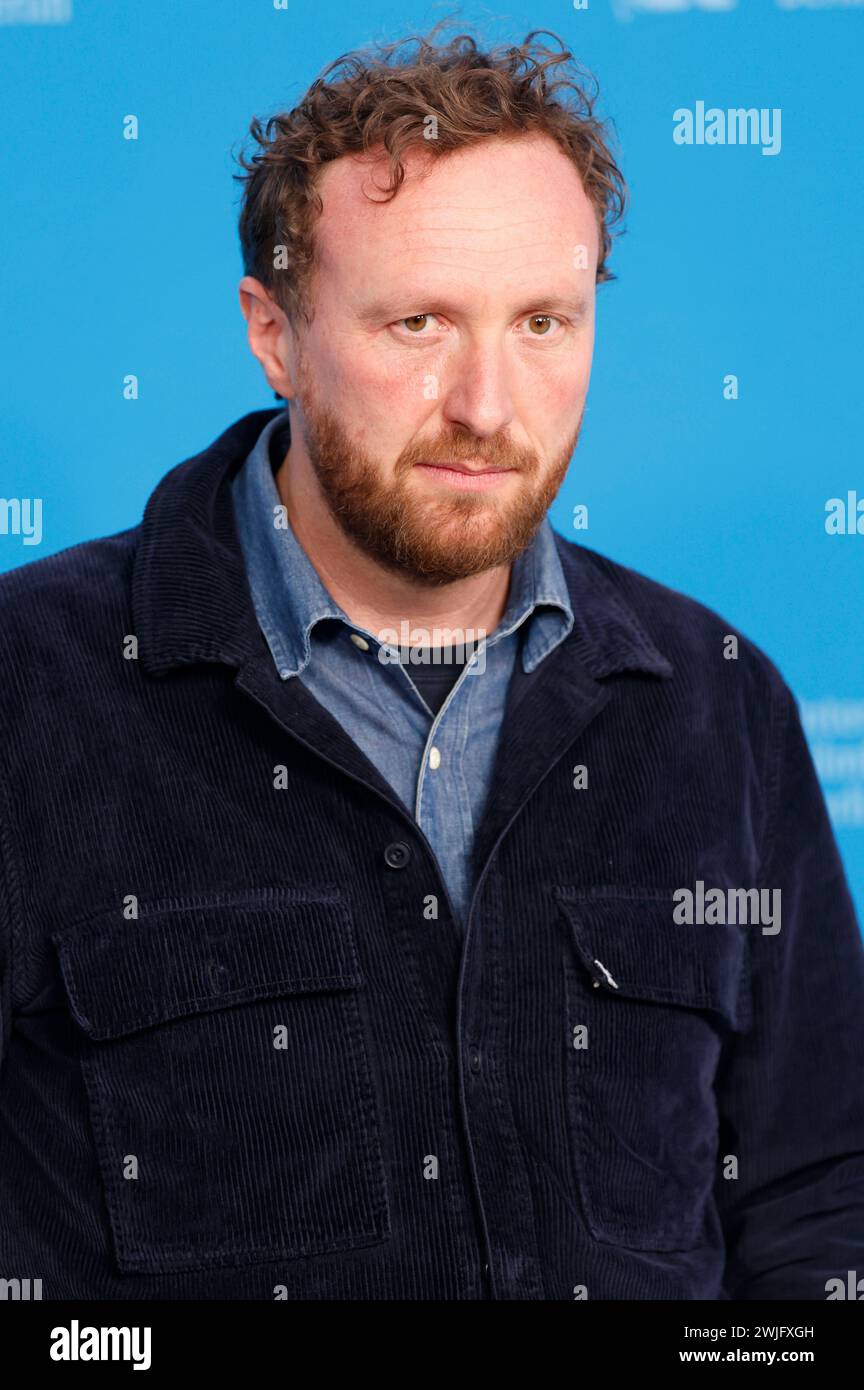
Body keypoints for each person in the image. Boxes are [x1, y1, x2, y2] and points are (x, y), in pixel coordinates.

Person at [0, 26, 862, 1301]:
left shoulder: (717, 699)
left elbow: (813, 1196)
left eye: (543, 323)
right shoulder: (35, 681)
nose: (487, 404)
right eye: (418, 323)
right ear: (275, 331)